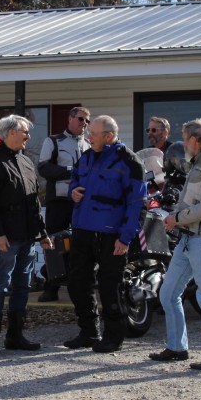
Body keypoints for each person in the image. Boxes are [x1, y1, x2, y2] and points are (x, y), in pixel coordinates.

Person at [149, 119, 201, 370]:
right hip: (187, 240)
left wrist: (176, 219)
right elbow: (190, 202)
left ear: (195, 140)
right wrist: (168, 210)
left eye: (185, 139)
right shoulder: (197, 164)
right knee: (168, 293)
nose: (183, 144)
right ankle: (177, 348)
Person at [63, 115, 146, 353]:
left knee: (110, 286)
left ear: (109, 136)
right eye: (88, 133)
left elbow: (137, 203)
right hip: (82, 230)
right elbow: (74, 182)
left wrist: (125, 238)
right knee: (78, 283)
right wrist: (73, 193)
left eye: (93, 134)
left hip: (112, 235)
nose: (88, 137)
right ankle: (89, 332)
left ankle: (114, 336)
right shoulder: (87, 156)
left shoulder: (129, 161)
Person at [0, 114, 53, 357]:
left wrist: (42, 233)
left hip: (28, 236)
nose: (28, 136)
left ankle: (15, 336)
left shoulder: (27, 162)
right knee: (0, 286)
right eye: (25, 132)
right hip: (7, 237)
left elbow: (34, 203)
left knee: (23, 286)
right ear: (10, 133)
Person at [36, 106, 91, 301]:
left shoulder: (89, 144)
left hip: (82, 202)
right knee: (53, 242)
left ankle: (77, 284)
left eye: (87, 121)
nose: (84, 124)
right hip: (59, 201)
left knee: (79, 243)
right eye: (80, 119)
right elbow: (43, 168)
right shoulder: (53, 140)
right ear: (70, 119)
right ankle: (51, 287)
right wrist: (70, 171)